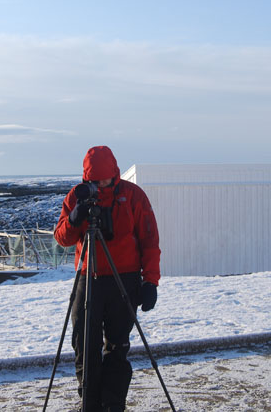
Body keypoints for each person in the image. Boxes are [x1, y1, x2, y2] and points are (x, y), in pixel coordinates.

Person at [54, 145, 161, 412]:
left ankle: (113, 405)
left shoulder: (133, 195)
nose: (99, 186)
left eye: (104, 180)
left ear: (114, 174)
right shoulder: (77, 197)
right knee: (83, 343)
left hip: (124, 278)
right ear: (86, 178)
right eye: (94, 181)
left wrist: (150, 281)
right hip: (87, 275)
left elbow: (150, 241)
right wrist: (75, 217)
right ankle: (89, 403)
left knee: (117, 345)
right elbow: (62, 238)